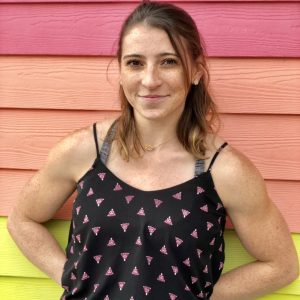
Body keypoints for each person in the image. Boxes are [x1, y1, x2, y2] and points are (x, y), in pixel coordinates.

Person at [7, 1, 298, 299]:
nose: (150, 80)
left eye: (168, 61)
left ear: (196, 70)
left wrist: (200, 296)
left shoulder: (225, 170)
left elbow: (282, 265)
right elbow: (22, 220)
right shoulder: (84, 150)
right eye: (135, 63)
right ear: (120, 71)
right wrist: (73, 277)